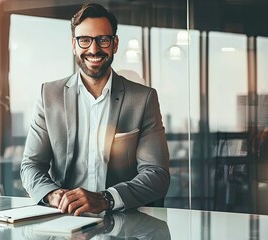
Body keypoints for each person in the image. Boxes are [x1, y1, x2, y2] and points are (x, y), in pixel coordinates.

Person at [20, 2, 170, 216]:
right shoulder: (49, 95)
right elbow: (31, 165)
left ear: (115, 44)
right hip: (66, 220)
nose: (94, 49)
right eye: (84, 40)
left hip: (123, 222)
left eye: (103, 39)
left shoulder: (143, 99)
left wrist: (105, 199)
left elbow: (157, 175)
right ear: (74, 44)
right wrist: (54, 195)